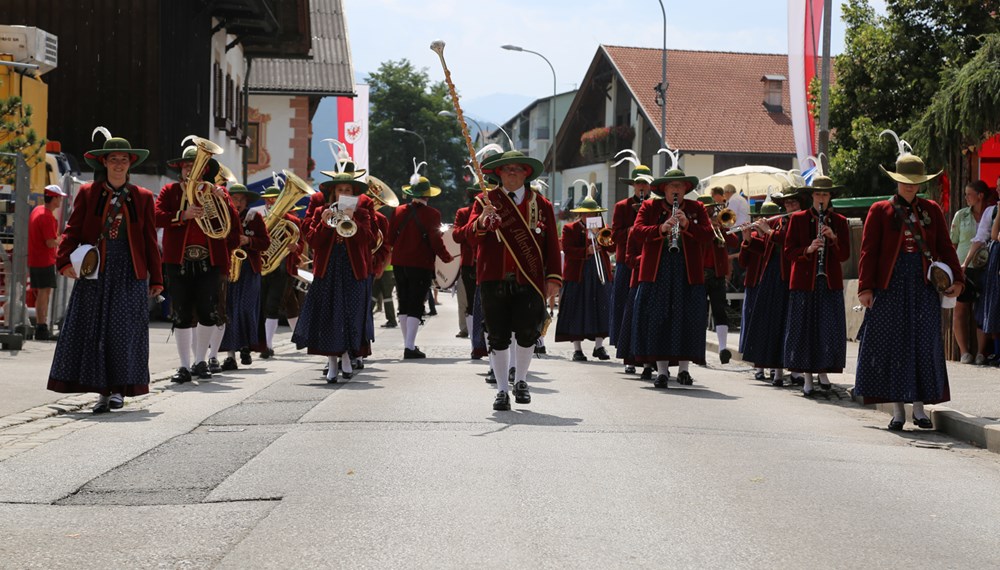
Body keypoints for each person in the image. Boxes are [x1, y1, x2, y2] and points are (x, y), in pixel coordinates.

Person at [47, 130, 163, 413]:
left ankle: (119, 391)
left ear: (130, 163)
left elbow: (149, 239)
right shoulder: (88, 192)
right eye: (114, 159)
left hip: (130, 271)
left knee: (123, 332)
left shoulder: (144, 197)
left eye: (124, 159)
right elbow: (72, 229)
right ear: (105, 163)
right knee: (95, 330)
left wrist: (156, 278)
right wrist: (63, 262)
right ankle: (101, 391)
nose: (119, 164)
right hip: (96, 268)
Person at [853, 140, 964, 430]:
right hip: (890, 286)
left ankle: (919, 410)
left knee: (923, 344)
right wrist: (866, 288)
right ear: (897, 181)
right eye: (905, 182)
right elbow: (868, 251)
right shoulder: (879, 210)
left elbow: (945, 248)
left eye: (915, 182)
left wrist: (958, 279)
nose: (910, 187)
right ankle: (898, 412)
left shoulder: (932, 210)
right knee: (893, 346)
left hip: (923, 286)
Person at [465, 150, 562, 411]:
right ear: (498, 173)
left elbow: (552, 245)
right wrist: (483, 221)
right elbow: (467, 236)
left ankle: (520, 381)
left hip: (529, 280)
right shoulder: (484, 201)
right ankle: (501, 390)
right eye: (507, 169)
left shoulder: (542, 205)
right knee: (496, 336)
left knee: (527, 334)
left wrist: (553, 277)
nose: (512, 173)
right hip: (492, 278)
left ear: (526, 173)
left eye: (517, 169)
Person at [155, 141, 240, 383]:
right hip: (178, 260)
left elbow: (232, 225)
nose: (190, 171)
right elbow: (156, 216)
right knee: (181, 314)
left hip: (209, 260)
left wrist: (221, 198)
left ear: (204, 170)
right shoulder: (170, 192)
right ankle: (183, 366)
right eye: (186, 167)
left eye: (195, 167)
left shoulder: (216, 192)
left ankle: (201, 360)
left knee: (208, 312)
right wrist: (182, 215)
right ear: (180, 170)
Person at [630, 166, 713, 387]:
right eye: (672, 186)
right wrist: (660, 229)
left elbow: (708, 235)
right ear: (664, 189)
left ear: (686, 189)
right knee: (659, 319)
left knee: (687, 318)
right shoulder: (649, 206)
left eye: (680, 186)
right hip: (658, 272)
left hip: (688, 272)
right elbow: (637, 231)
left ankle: (684, 370)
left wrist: (687, 224)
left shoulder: (697, 208)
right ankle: (662, 371)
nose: (676, 190)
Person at [292, 172, 372, 382]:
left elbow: (368, 240)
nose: (343, 193)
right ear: (333, 193)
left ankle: (346, 355)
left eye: (347, 190)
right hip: (327, 271)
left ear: (353, 194)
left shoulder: (361, 213)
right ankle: (332, 363)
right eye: (340, 190)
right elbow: (313, 241)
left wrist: (354, 220)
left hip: (352, 270)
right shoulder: (321, 211)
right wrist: (324, 224)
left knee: (349, 315)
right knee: (328, 317)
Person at [782, 174, 851, 396]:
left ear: (830, 196)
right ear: (812, 195)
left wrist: (833, 238)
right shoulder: (798, 219)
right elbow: (788, 252)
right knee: (805, 330)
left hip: (828, 284)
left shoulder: (839, 221)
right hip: (804, 284)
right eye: (818, 194)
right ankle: (808, 379)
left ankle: (823, 372)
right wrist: (808, 250)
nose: (822, 198)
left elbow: (845, 255)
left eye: (825, 194)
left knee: (827, 329)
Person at [385, 164, 454, 359]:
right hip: (420, 264)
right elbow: (436, 242)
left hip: (399, 263)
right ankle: (409, 346)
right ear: (428, 196)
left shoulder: (398, 212)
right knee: (416, 303)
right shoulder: (433, 214)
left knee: (404, 302)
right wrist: (448, 258)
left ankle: (408, 344)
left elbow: (390, 239)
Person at [737, 192, 804, 386]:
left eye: (793, 202)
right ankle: (773, 369)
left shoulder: (798, 222)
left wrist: (768, 232)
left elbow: (789, 244)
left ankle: (792, 370)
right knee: (773, 324)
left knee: (788, 324)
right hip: (773, 278)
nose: (790, 206)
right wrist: (748, 239)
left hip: (790, 278)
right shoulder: (781, 223)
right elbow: (766, 248)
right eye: (787, 203)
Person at [555, 189, 614, 361]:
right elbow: (567, 249)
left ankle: (599, 346)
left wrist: (600, 235)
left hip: (599, 272)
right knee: (576, 310)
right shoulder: (569, 228)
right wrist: (586, 250)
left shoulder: (602, 228)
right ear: (580, 214)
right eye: (587, 214)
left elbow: (611, 248)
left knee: (601, 308)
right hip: (578, 275)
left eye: (594, 213)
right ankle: (577, 349)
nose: (590, 216)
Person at [218, 185, 270, 369]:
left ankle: (247, 346)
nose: (237, 203)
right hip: (229, 268)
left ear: (247, 202)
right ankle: (230, 356)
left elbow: (265, 242)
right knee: (229, 311)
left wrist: (249, 240)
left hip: (249, 269)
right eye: (234, 199)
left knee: (246, 309)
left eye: (241, 200)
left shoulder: (254, 217)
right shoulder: (223, 215)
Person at [609, 162, 652, 373]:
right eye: (639, 184)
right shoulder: (622, 206)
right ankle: (627, 355)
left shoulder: (655, 206)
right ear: (633, 186)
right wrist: (636, 227)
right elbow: (615, 235)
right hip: (627, 262)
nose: (642, 187)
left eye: (645, 183)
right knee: (625, 308)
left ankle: (648, 354)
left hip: (651, 262)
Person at [254, 184, 304, 360]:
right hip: (263, 268)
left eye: (275, 198)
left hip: (283, 268)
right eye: (268, 199)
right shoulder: (258, 217)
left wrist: (295, 247)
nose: (271, 201)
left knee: (273, 306)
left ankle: (267, 346)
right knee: (283, 304)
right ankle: (299, 337)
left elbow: (301, 245)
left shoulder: (293, 221)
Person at [952, 180, 991, 363]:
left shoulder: (991, 214)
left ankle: (981, 352)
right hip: (963, 266)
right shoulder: (961, 216)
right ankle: (964, 352)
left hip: (985, 267)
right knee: (960, 309)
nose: (966, 197)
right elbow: (953, 243)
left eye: (969, 194)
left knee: (982, 310)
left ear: (980, 195)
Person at [702, 195, 740, 364]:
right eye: (708, 209)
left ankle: (723, 348)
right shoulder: (699, 226)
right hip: (701, 273)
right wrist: (709, 227)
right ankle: (697, 351)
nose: (711, 212)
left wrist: (722, 227)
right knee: (699, 312)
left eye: (712, 209)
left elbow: (734, 241)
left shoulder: (720, 225)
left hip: (717, 274)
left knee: (720, 310)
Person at [28, 184, 65, 340]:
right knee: (44, 293)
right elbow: (50, 242)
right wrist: (63, 238)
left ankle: (41, 326)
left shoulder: (38, 210)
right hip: (44, 260)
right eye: (60, 198)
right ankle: (42, 328)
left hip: (35, 258)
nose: (61, 201)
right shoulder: (47, 216)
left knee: (41, 294)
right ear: (54, 198)